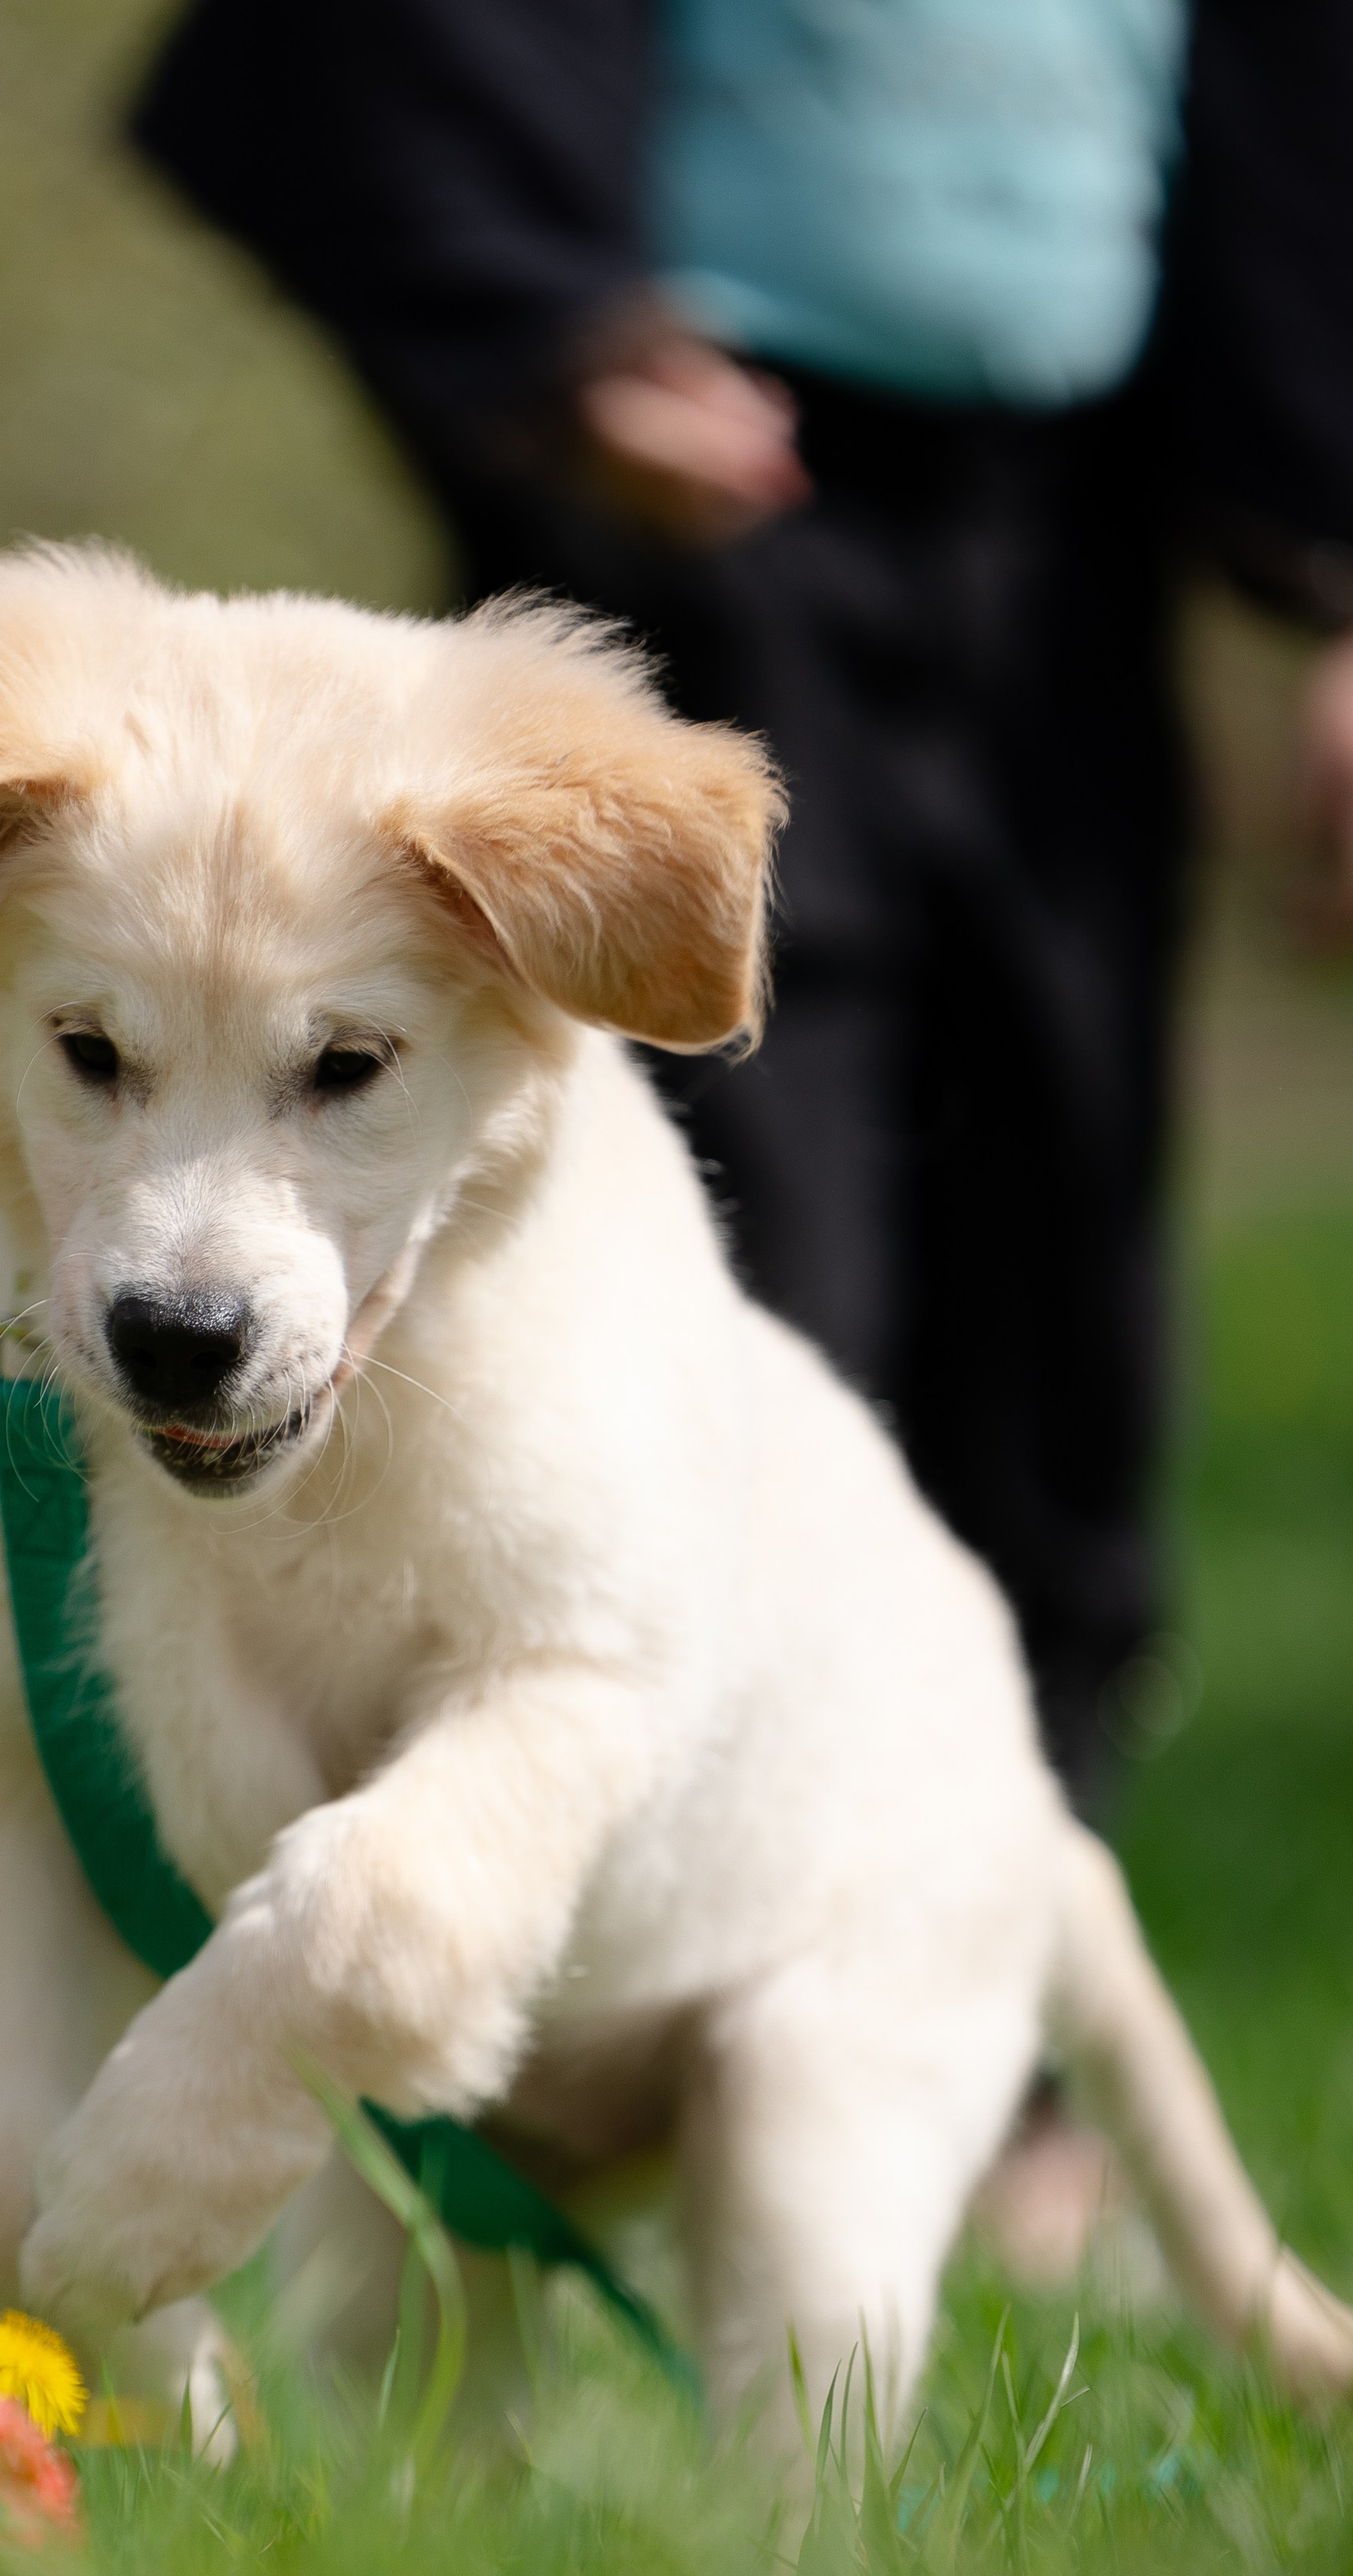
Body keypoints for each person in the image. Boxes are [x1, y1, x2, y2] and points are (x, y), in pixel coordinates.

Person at [130, 0, 1353, 1811]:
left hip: (1076, 532)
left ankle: (980, 1979)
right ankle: (630, 1901)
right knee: (739, 1228)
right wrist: (548, 334)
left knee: (1057, 1231)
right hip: (697, 503)